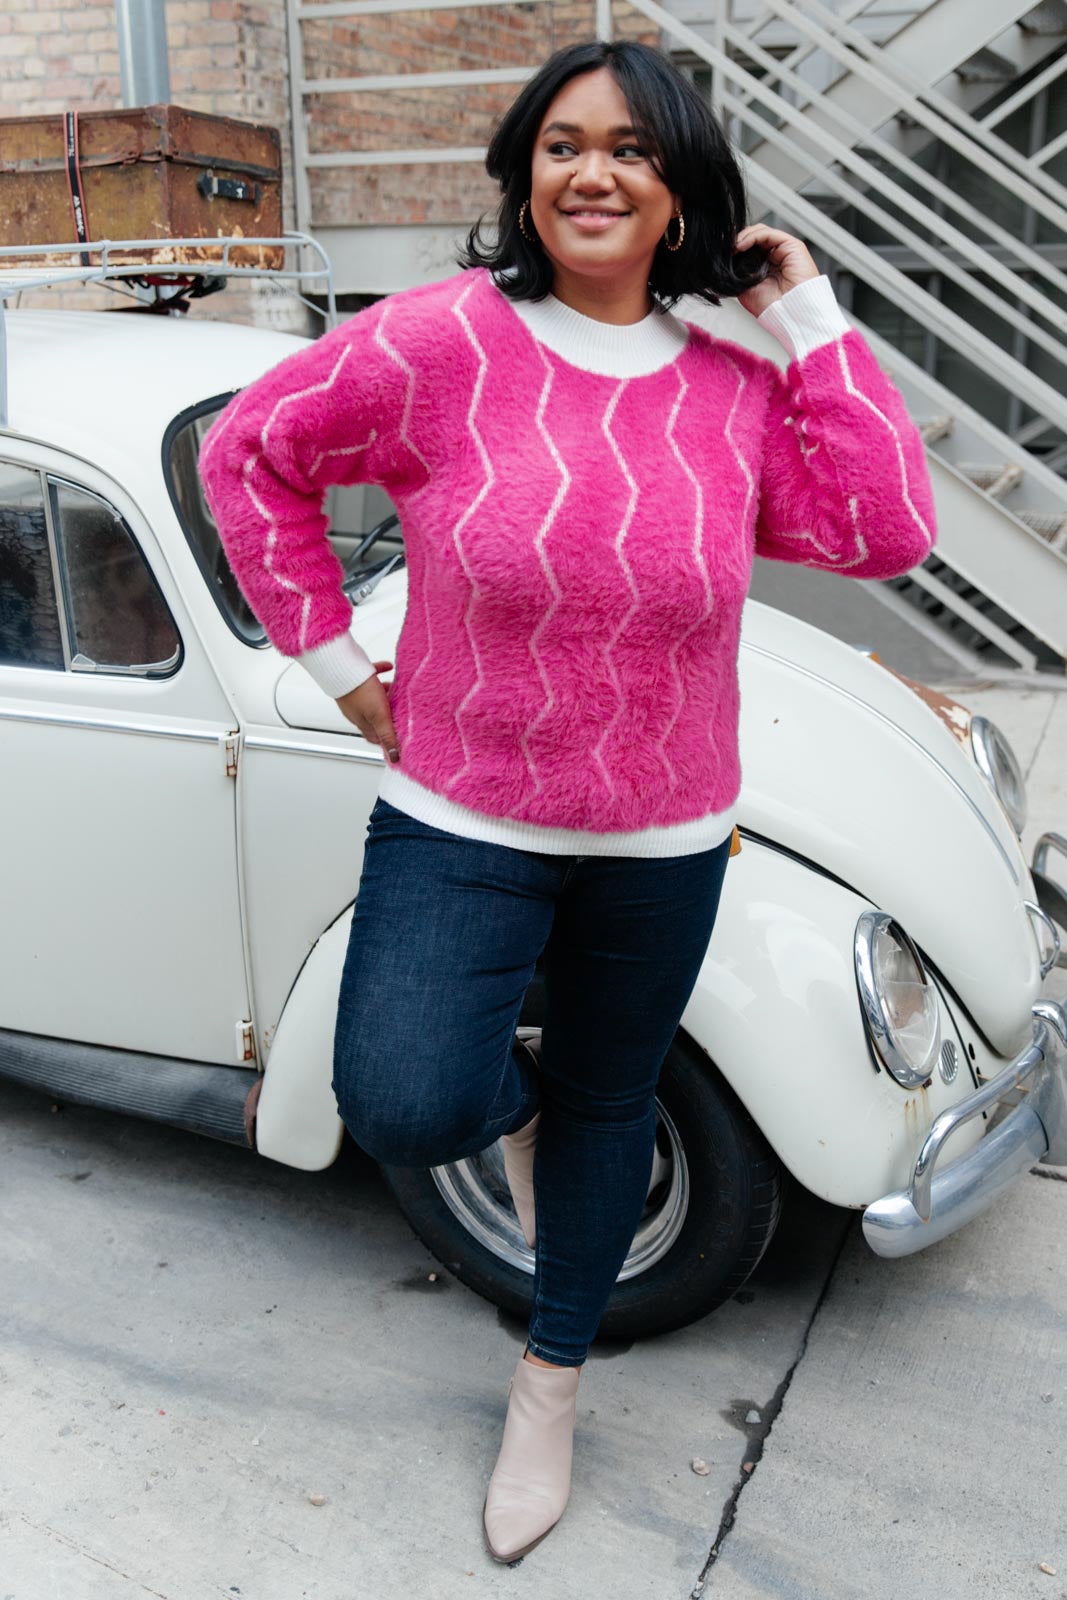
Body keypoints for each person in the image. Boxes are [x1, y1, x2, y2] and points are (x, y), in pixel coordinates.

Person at [197, 37, 936, 1565]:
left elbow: (883, 527)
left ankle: (550, 1385)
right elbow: (248, 453)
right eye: (561, 145)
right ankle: (539, 1138)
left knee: (615, 1105)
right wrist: (335, 661)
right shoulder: (440, 343)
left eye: (633, 149)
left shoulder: (734, 384)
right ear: (526, 175)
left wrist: (804, 321)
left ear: (682, 190)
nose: (592, 172)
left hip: (665, 833)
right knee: (404, 1090)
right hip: (464, 810)